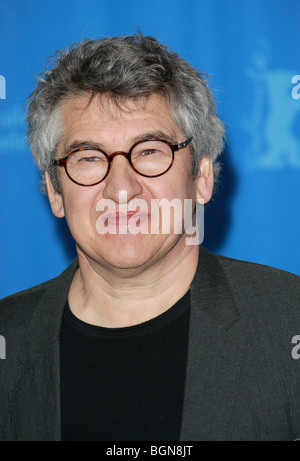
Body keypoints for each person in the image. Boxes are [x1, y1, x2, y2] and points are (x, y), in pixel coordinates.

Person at [0, 34, 299, 442]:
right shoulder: (7, 339)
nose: (121, 189)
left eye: (150, 151)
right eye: (88, 158)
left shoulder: (289, 322)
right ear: (55, 192)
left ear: (202, 179)